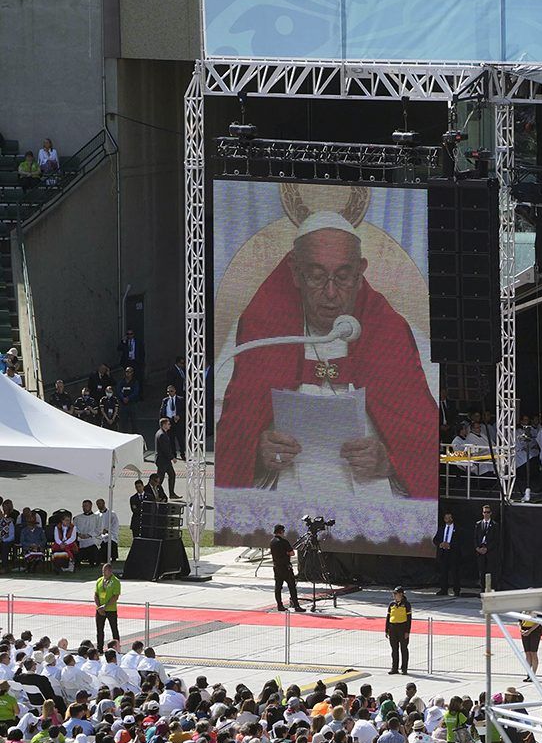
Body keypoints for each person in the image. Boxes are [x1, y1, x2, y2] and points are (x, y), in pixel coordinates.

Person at [213, 202, 438, 500]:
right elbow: (228, 424)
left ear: (360, 273)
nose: (331, 293)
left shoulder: (396, 332)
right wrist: (256, 451)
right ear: (295, 272)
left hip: (372, 496)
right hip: (283, 493)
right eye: (317, 276)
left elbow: (425, 434)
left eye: (343, 277)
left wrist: (389, 461)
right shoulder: (258, 334)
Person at [269, 525, 303, 613]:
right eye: (283, 531)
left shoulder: (272, 541)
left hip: (276, 567)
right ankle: (296, 605)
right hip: (285, 567)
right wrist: (286, 552)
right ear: (280, 531)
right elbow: (292, 553)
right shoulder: (284, 542)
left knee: (278, 587)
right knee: (292, 587)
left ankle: (280, 605)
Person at [93, 565, 121, 651]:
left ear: (110, 571)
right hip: (100, 610)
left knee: (114, 629)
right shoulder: (99, 581)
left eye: (105, 571)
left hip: (111, 610)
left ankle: (116, 648)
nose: (103, 573)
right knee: (99, 630)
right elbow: (96, 595)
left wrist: (105, 606)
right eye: (103, 571)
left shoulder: (115, 581)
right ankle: (99, 648)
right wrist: (99, 607)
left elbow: (115, 596)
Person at [433, 511, 461, 596]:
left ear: (452, 518)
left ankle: (456, 590)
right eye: (446, 518)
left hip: (453, 553)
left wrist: (450, 545)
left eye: (449, 517)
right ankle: (443, 589)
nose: (447, 519)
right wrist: (441, 544)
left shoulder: (457, 529)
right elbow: (435, 539)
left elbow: (460, 541)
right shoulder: (441, 528)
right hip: (443, 553)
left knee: (454, 572)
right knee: (443, 572)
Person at [385, 587, 412, 675]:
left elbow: (409, 619)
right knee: (394, 649)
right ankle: (394, 668)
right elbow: (388, 617)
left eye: (395, 594)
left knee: (403, 649)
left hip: (402, 628)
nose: (394, 595)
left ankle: (404, 668)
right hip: (393, 628)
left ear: (401, 594)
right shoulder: (391, 604)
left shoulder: (406, 604)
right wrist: (386, 629)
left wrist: (407, 631)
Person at [154, 417, 179, 498]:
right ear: (164, 425)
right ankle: (155, 494)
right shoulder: (162, 435)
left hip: (165, 460)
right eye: (168, 424)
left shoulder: (161, 433)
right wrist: (172, 458)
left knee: (172, 475)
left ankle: (172, 493)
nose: (170, 425)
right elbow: (165, 449)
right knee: (159, 479)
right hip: (163, 460)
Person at [474, 504, 497, 592]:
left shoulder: (494, 525)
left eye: (488, 512)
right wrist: (477, 548)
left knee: (490, 571)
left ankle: (490, 588)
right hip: (480, 551)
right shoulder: (478, 524)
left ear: (490, 513)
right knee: (481, 571)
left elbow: (496, 540)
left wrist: (487, 548)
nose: (486, 514)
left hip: (490, 551)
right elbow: (475, 537)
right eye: (484, 512)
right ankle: (482, 589)